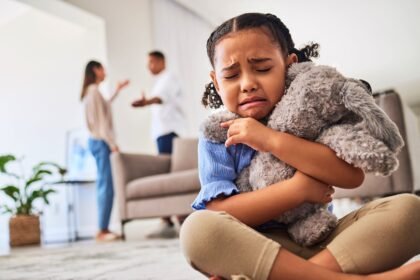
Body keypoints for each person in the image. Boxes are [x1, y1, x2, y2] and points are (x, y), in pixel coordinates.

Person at [179, 13, 420, 280]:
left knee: (410, 210)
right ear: (216, 82)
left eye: (262, 68)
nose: (247, 84)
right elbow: (218, 212)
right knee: (197, 230)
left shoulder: (311, 116)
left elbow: (351, 177)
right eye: (232, 75)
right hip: (259, 248)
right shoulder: (217, 135)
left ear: (289, 64)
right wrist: (297, 190)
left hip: (325, 243)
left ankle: (302, 275)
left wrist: (270, 140)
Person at [132, 51, 187, 238]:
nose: (149, 67)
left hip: (168, 132)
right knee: (167, 172)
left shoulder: (168, 78)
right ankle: (171, 217)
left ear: (161, 61)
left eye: (152, 62)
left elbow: (160, 98)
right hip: (162, 133)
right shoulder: (159, 81)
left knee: (169, 173)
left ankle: (174, 217)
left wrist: (147, 101)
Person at [81, 60, 129, 242]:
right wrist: (112, 143)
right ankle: (102, 230)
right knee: (106, 186)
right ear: (95, 70)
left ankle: (103, 227)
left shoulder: (92, 92)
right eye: (102, 68)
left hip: (97, 142)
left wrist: (116, 90)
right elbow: (101, 123)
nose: (105, 71)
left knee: (106, 185)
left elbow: (104, 108)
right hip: (101, 142)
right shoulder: (93, 92)